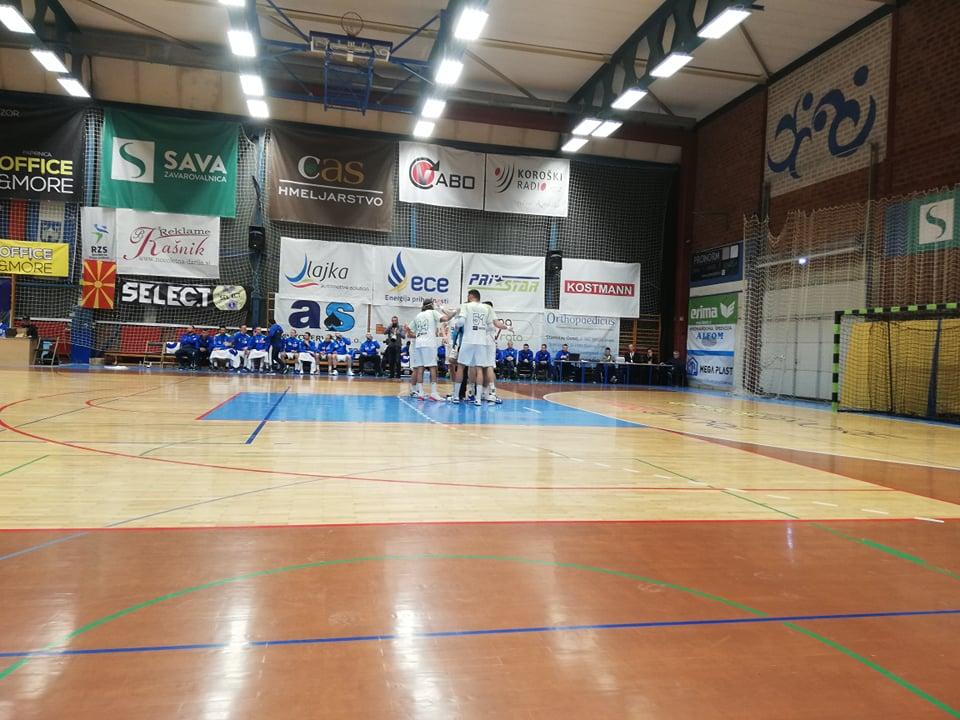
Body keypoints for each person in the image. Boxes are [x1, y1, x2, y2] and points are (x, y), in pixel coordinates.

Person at [452, 290, 508, 405]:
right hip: (481, 342)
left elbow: (461, 322)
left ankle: (457, 396)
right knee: (479, 368)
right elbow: (496, 323)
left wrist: (456, 326)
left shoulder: (466, 306)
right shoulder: (487, 308)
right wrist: (508, 327)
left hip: (468, 340)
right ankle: (478, 399)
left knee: (461, 367)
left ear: (470, 296)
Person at [405, 299, 444, 400]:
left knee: (420, 368)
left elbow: (408, 330)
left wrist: (417, 334)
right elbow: (445, 318)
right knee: (433, 367)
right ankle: (433, 392)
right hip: (429, 343)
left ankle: (421, 393)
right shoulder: (432, 312)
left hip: (418, 344)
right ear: (431, 305)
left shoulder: (418, 315)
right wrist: (447, 311)